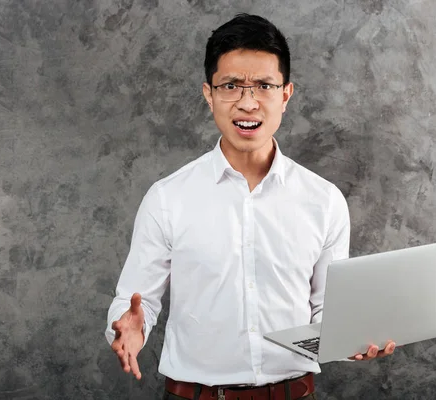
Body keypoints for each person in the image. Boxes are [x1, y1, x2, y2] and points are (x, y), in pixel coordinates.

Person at [105, 13, 396, 400]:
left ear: (286, 95)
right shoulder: (167, 198)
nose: (248, 103)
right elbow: (136, 302)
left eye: (264, 86)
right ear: (208, 94)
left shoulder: (323, 200)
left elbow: (327, 312)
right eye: (231, 86)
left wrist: (355, 340)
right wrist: (127, 327)